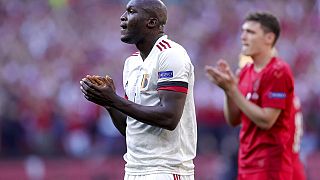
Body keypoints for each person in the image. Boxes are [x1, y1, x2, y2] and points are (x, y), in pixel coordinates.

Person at [80, 0, 197, 180]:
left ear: (151, 22)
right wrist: (108, 104)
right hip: (134, 168)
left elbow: (170, 117)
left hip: (165, 169)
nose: (122, 17)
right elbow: (131, 128)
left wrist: (114, 100)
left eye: (131, 11)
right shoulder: (131, 63)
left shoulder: (171, 54)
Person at [205, 12, 304, 180]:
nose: (243, 37)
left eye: (250, 32)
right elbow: (233, 120)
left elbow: (267, 120)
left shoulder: (278, 71)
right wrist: (228, 90)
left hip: (270, 166)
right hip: (246, 163)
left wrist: (233, 91)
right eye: (243, 31)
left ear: (269, 38)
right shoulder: (245, 72)